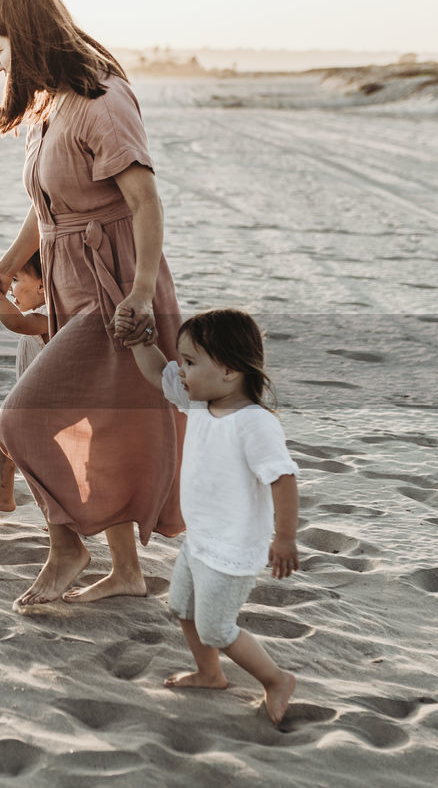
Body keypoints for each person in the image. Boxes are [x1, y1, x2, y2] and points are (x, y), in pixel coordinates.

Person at [0, 0, 186, 608]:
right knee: (98, 427)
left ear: (27, 37)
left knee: (22, 419)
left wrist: (140, 291)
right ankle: (127, 572)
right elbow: (47, 208)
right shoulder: (51, 103)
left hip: (112, 284)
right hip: (67, 276)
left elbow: (145, 200)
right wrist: (7, 266)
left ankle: (68, 548)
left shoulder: (100, 98)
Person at [125, 308, 301, 725]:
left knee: (217, 629)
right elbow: (158, 374)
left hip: (232, 549)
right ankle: (210, 673)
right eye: (182, 360)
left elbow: (283, 478)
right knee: (182, 608)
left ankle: (276, 680)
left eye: (189, 362)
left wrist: (285, 537)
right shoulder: (202, 404)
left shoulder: (254, 423)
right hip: (200, 540)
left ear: (229, 371)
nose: (180, 371)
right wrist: (138, 342)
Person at [0, 252, 50, 514]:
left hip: (48, 405)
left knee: (43, 464)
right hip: (26, 399)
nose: (11, 286)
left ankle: (58, 517)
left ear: (42, 285)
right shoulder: (37, 313)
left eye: (16, 279)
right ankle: (4, 497)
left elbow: (16, 322)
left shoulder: (49, 317)